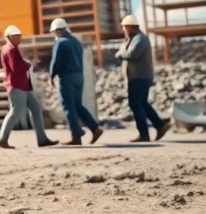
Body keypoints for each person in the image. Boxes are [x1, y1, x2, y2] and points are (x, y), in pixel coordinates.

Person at [0, 25, 58, 149]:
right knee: (15, 112)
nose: (19, 38)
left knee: (35, 108)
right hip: (17, 85)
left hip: (22, 86)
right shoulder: (11, 50)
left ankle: (42, 139)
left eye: (20, 36)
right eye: (17, 36)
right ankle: (3, 139)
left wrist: (26, 64)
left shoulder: (8, 49)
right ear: (10, 37)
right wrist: (29, 64)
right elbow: (16, 67)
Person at [48, 18, 104, 146]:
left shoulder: (60, 42)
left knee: (68, 106)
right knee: (78, 105)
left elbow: (56, 61)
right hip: (79, 76)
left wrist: (51, 76)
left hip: (66, 77)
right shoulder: (76, 42)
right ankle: (95, 128)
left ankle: (76, 136)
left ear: (57, 31)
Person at [116, 14, 172, 142]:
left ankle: (144, 134)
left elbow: (132, 54)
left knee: (135, 103)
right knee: (142, 103)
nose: (123, 30)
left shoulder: (140, 38)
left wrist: (120, 53)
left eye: (125, 27)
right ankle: (160, 125)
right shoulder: (133, 39)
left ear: (130, 26)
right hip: (137, 77)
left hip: (139, 77)